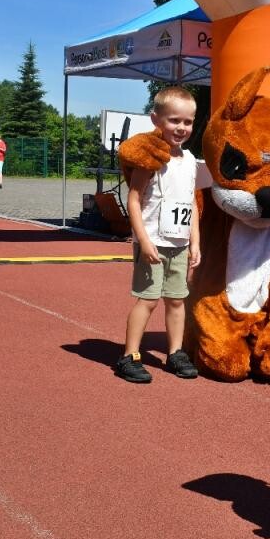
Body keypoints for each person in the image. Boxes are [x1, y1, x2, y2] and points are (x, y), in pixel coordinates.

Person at [116, 86, 201, 384]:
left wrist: (195, 242)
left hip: (179, 243)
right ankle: (130, 355)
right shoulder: (150, 158)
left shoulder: (190, 160)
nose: (181, 127)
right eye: (174, 120)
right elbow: (134, 200)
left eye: (187, 122)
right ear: (156, 119)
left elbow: (191, 202)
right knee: (148, 300)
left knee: (177, 300)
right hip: (153, 241)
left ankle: (175, 353)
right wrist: (143, 240)